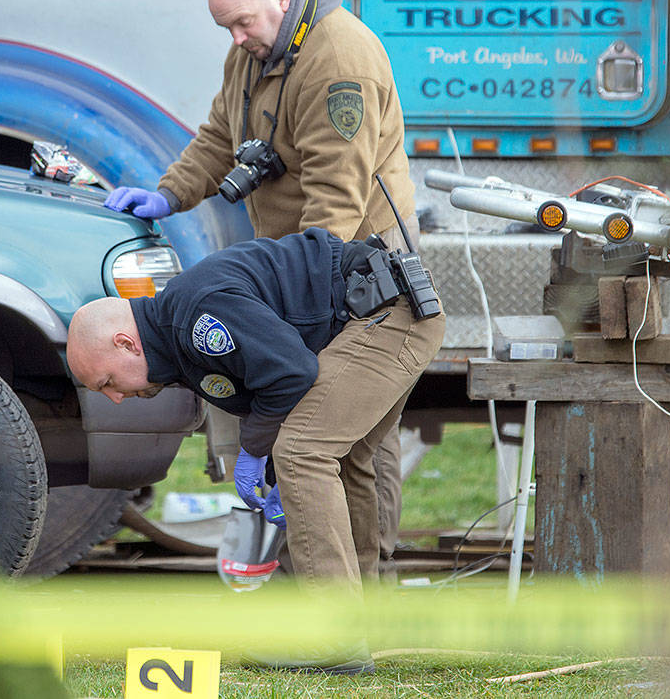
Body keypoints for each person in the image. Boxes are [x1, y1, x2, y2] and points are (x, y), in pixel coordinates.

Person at [104, 0, 418, 558]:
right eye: (226, 27)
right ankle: (322, 588)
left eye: (242, 22)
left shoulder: (339, 62)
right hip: (301, 274)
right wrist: (170, 195)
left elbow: (336, 197)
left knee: (352, 448)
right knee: (316, 441)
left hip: (357, 281)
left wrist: (304, 305)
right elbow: (223, 135)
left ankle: (367, 595)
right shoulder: (256, 50)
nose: (237, 37)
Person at [66, 228, 445, 673]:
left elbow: (291, 372)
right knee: (343, 459)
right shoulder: (177, 330)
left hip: (385, 313)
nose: (114, 397)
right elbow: (270, 387)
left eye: (107, 382)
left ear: (126, 344)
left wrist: (256, 449)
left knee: (303, 454)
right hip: (389, 312)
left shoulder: (195, 316)